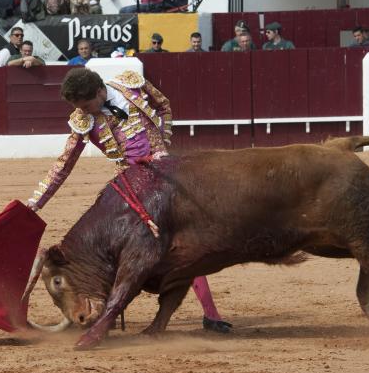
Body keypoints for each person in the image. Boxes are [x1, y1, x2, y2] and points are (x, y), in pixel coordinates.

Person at [28, 67, 230, 333]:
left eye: (88, 106)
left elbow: (163, 105)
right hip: (131, 189)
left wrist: (162, 144)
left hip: (166, 178)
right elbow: (63, 165)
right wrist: (35, 202)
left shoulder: (130, 84)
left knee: (184, 243)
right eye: (80, 108)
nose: (84, 112)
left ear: (100, 91)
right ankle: (103, 311)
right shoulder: (82, 120)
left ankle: (211, 314)